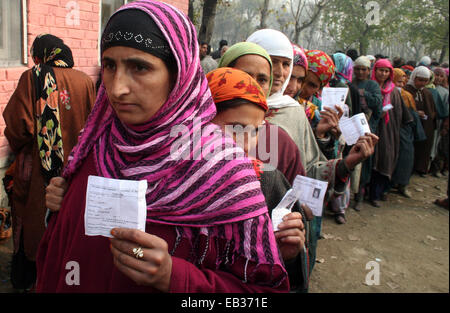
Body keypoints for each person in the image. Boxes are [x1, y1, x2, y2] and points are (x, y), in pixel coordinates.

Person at [37, 1, 288, 293]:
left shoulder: (224, 169)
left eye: (140, 67)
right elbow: (62, 253)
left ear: (179, 73)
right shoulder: (96, 146)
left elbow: (265, 292)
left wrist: (178, 278)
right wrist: (65, 204)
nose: (117, 88)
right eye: (109, 65)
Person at [246, 29, 378, 259]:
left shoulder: (293, 112)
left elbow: (307, 171)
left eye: (285, 64)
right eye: (272, 61)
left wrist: (346, 163)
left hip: (278, 227)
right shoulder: (218, 105)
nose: (279, 72)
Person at [2, 34, 95, 290]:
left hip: (39, 173)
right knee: (69, 226)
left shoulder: (33, 77)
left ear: (41, 54)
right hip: (76, 171)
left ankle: (34, 279)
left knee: (35, 224)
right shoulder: (85, 81)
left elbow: (18, 128)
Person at [206, 67, 310, 292]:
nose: (246, 144)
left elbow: (289, 277)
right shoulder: (169, 184)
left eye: (254, 132)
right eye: (236, 129)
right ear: (202, 123)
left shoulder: (268, 183)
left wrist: (284, 253)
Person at [218, 41, 306, 185]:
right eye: (244, 76)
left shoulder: (281, 142)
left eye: (262, 79)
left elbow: (294, 195)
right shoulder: (192, 132)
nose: (252, 85)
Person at [368, 59, 413, 207]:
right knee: (370, 160)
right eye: (380, 70)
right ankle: (368, 193)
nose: (383, 74)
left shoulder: (393, 90)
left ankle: (378, 193)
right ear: (375, 71)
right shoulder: (369, 87)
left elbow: (401, 114)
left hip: (389, 132)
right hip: (372, 129)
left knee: (385, 159)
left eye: (386, 71)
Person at [352, 55, 383, 211]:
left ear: (368, 71)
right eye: (357, 69)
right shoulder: (350, 84)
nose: (360, 72)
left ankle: (360, 197)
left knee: (365, 163)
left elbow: (378, 104)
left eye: (363, 69)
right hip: (351, 129)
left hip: (367, 128)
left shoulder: (373, 85)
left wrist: (363, 94)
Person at [390, 68, 426, 198]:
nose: (400, 85)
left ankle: (402, 184)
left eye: (402, 82)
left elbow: (412, 116)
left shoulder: (407, 95)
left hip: (405, 132)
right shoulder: (387, 93)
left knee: (406, 158)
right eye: (397, 82)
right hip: (390, 131)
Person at [404, 66, 437, 177]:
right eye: (420, 80)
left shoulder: (427, 93)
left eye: (425, 80)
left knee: (423, 147)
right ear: (414, 78)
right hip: (410, 125)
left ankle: (420, 168)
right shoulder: (406, 90)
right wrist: (415, 113)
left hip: (424, 126)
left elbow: (432, 110)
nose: (422, 83)